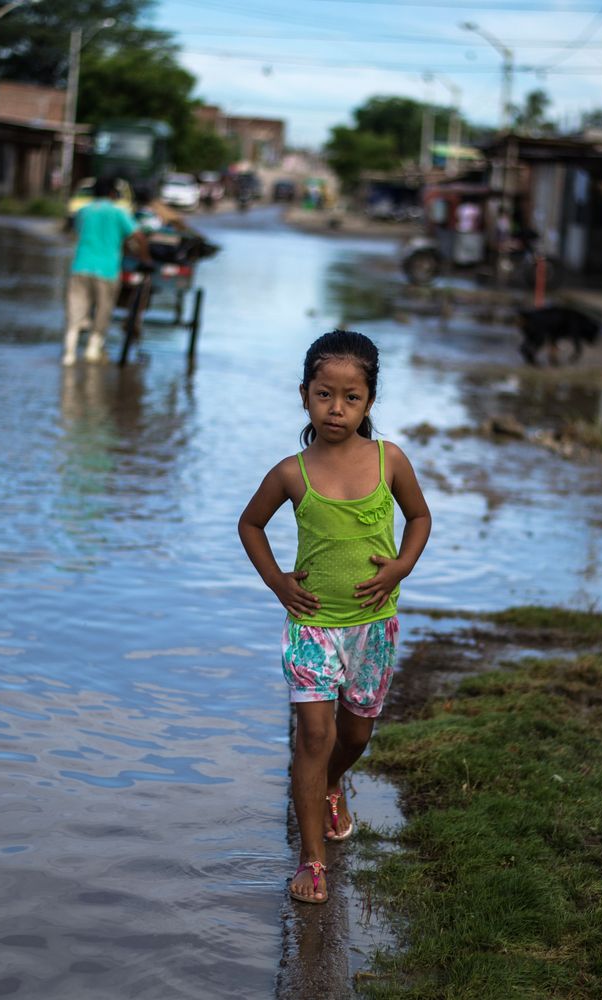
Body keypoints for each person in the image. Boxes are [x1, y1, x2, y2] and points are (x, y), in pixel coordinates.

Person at [238, 330, 431, 905]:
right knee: (313, 734)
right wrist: (277, 582)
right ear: (304, 396)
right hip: (313, 625)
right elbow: (250, 525)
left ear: (370, 402)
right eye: (325, 395)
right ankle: (312, 859)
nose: (337, 409)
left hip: (374, 625)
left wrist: (400, 567)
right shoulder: (291, 473)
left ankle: (329, 785)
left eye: (351, 397)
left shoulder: (388, 459)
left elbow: (420, 518)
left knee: (355, 734)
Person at [63, 175, 147, 366]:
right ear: (112, 193)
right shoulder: (118, 213)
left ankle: (69, 353)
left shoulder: (83, 211)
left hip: (81, 266)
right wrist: (145, 258)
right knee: (103, 309)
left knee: (75, 310)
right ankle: (93, 349)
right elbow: (138, 236)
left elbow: (76, 233)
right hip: (107, 270)